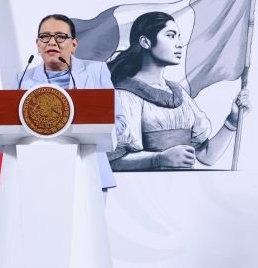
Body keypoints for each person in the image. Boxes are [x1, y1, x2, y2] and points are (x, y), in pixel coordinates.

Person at [106, 11, 250, 170]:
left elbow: (206, 156)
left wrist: (232, 120)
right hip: (146, 185)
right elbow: (111, 161)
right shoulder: (124, 95)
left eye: (179, 36)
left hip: (184, 184)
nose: (180, 43)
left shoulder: (179, 93)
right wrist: (158, 159)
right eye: (171, 35)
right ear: (145, 42)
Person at [15, 14, 125, 189]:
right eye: (45, 37)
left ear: (74, 44)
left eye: (60, 36)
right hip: (40, 173)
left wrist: (90, 132)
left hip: (89, 170)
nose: (52, 42)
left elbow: (119, 122)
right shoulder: (22, 79)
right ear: (38, 44)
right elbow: (12, 125)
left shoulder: (96, 71)